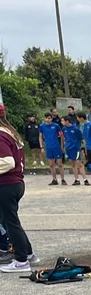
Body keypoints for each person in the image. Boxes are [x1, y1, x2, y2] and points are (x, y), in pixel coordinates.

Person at [0, 106, 40, 273]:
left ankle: (21, 260)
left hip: (6, 184)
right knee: (12, 221)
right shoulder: (10, 132)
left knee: (10, 223)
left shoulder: (1, 135)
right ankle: (28, 254)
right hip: (16, 183)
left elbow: (8, 162)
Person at [61, 116, 88, 186]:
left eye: (63, 121)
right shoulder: (64, 129)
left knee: (79, 163)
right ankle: (77, 179)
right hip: (68, 148)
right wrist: (63, 146)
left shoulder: (75, 128)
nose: (62, 122)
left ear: (67, 121)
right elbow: (63, 138)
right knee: (72, 164)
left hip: (75, 148)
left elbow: (81, 138)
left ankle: (85, 180)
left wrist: (83, 147)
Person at [40, 113, 65, 185]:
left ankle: (63, 179)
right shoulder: (42, 126)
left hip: (56, 146)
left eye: (49, 118)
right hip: (48, 147)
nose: (48, 120)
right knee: (51, 164)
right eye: (46, 118)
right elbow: (40, 136)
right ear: (44, 118)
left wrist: (62, 146)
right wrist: (41, 146)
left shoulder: (56, 126)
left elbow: (61, 136)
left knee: (59, 163)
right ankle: (54, 179)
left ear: (51, 119)